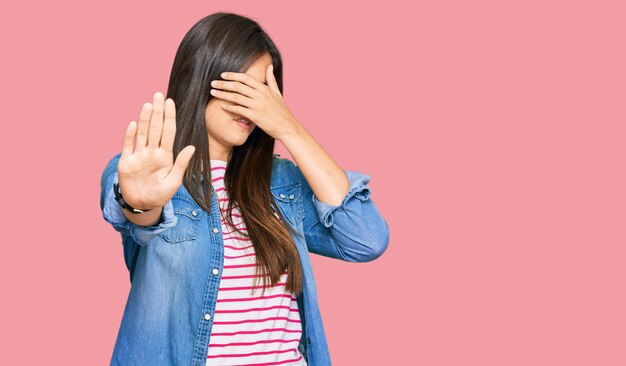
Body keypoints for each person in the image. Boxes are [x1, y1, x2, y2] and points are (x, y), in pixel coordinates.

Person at [99, 12, 390, 366]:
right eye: (240, 88)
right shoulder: (146, 171)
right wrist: (140, 205)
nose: (252, 106)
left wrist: (290, 129)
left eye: (263, 93)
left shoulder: (283, 184)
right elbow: (131, 208)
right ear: (200, 78)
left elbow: (366, 238)